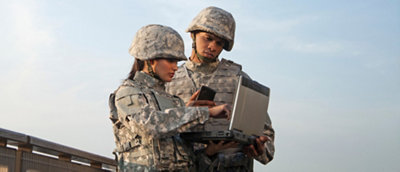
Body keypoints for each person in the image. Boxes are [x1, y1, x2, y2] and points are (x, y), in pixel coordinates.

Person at [109, 24, 234, 171]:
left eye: (177, 62)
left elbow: (186, 160)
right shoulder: (127, 92)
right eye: (170, 60)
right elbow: (149, 126)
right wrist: (205, 112)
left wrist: (209, 152)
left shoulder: (174, 102)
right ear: (149, 59)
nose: (175, 67)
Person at [166, 6, 275, 171]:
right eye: (207, 38)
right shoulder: (171, 79)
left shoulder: (238, 78)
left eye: (219, 43)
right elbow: (160, 130)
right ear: (193, 35)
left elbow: (266, 139)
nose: (212, 46)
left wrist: (259, 149)